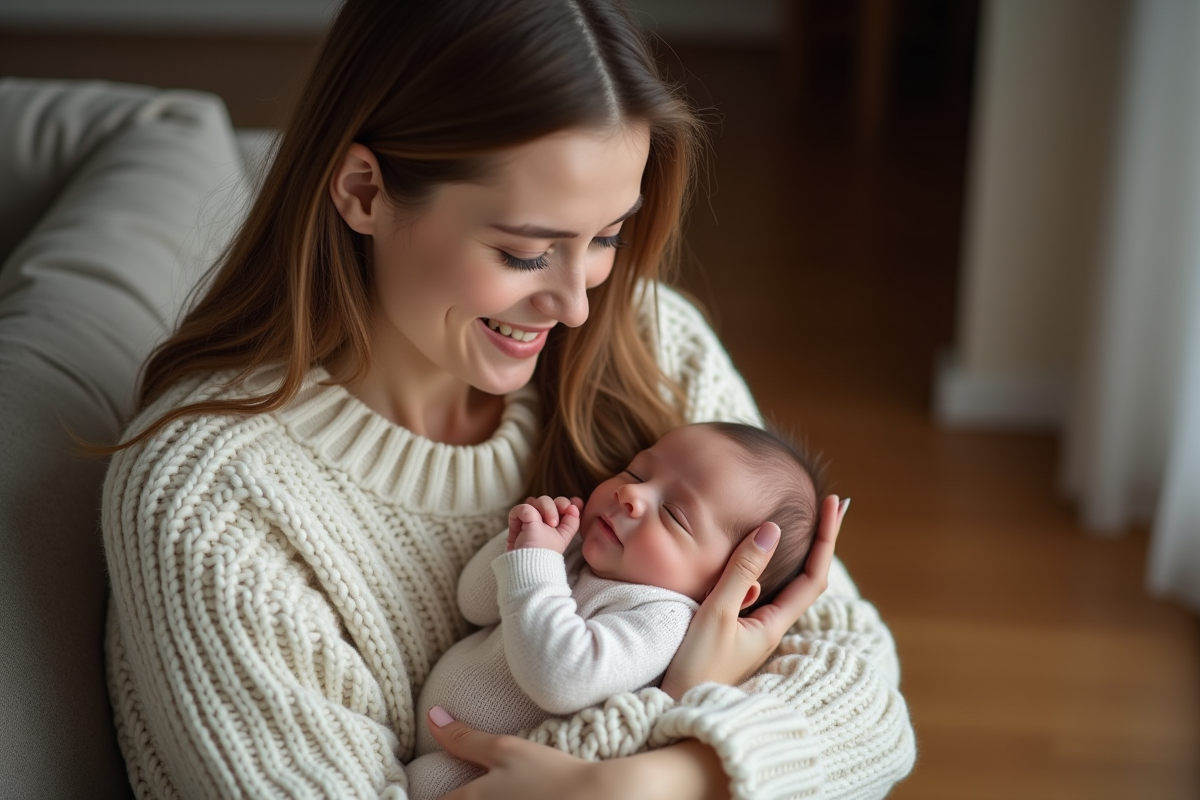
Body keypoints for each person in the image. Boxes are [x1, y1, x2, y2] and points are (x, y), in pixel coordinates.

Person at [100, 1, 916, 798]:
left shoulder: (649, 346)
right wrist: (679, 717)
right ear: (361, 192)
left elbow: (870, 713)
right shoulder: (209, 496)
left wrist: (659, 779)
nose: (575, 306)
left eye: (604, 239)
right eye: (526, 252)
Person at [408, 422, 828, 799]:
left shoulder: (665, 618)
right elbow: (473, 602)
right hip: (448, 747)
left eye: (674, 515)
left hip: (503, 777)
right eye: (636, 473)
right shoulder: (573, 555)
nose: (632, 494)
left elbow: (563, 678)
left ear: (728, 588)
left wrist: (534, 566)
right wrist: (524, 545)